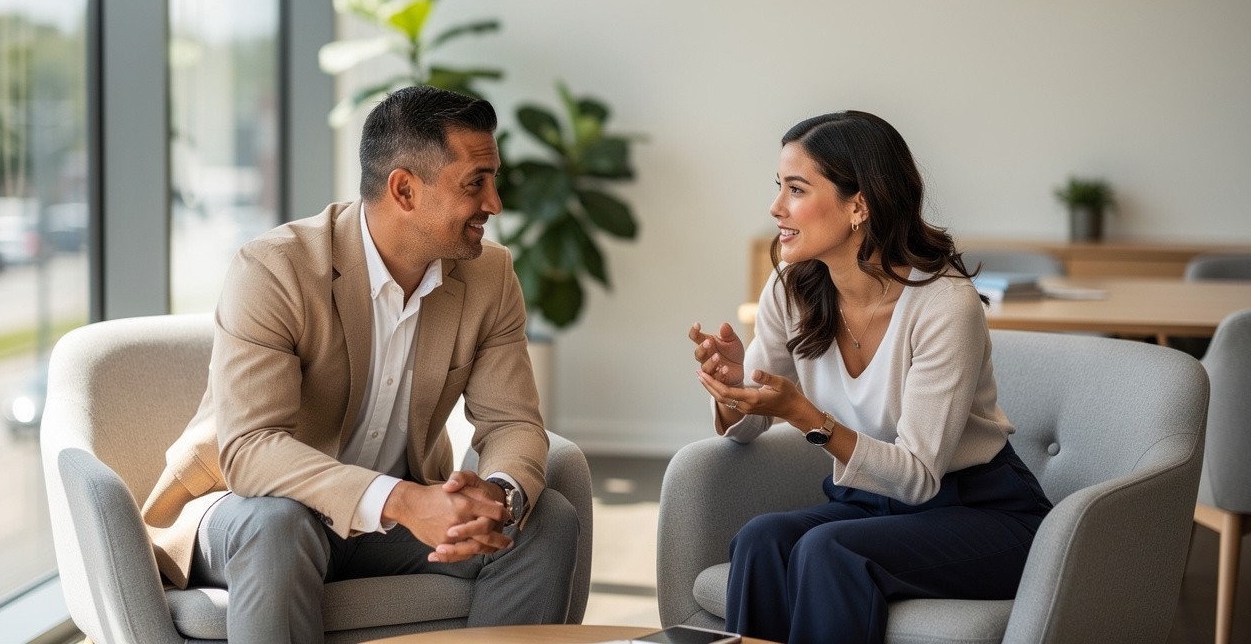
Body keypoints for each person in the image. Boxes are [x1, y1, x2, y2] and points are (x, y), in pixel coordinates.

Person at [141, 85, 579, 644]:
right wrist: (402, 500)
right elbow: (251, 449)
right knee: (279, 525)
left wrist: (499, 495)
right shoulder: (277, 269)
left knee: (544, 522)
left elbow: (514, 423)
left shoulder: (489, 277)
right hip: (249, 507)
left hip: (395, 520)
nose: (495, 203)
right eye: (476, 183)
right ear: (404, 189)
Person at [687, 110, 1052, 644]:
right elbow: (746, 429)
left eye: (796, 189)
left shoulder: (943, 304)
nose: (775, 207)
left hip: (982, 512)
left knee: (828, 549)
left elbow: (919, 477)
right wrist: (735, 391)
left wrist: (802, 415)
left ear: (859, 205)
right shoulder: (791, 288)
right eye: (778, 187)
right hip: (868, 503)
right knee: (760, 539)